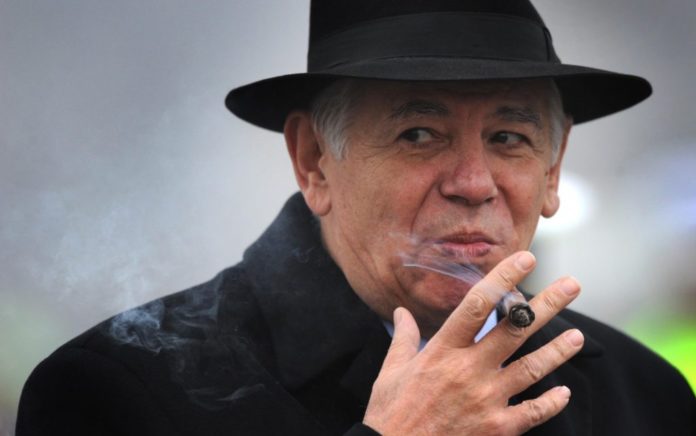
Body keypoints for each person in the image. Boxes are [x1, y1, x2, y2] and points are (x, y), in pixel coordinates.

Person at [16, 1, 695, 435]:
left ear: (552, 170)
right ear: (314, 160)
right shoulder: (116, 394)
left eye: (508, 138)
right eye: (418, 134)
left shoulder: (646, 396)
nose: (472, 184)